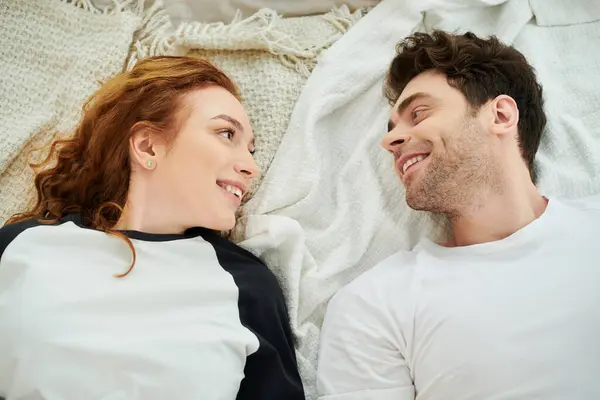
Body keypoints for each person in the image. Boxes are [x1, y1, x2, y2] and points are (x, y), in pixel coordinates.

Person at [0, 56, 305, 400]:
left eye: (251, 149)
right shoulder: (23, 246)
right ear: (147, 146)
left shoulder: (247, 284)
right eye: (226, 133)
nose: (251, 166)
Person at [317, 30, 600, 399]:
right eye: (391, 129)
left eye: (418, 113)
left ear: (500, 114)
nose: (389, 142)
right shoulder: (374, 303)